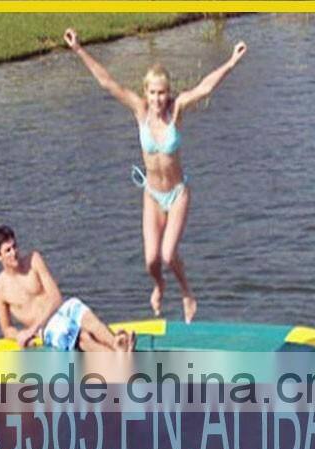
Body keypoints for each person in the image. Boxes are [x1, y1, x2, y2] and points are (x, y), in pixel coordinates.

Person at [64, 28, 247, 323]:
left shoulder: (177, 110)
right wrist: (79, 49)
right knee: (151, 260)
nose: (157, 98)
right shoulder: (140, 111)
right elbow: (107, 82)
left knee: (167, 254)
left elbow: (205, 88)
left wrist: (231, 62)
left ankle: (187, 293)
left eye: (162, 93)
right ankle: (159, 286)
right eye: (152, 93)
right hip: (152, 194)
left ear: (168, 92)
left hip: (177, 193)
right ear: (145, 92)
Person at [0, 225, 134, 352]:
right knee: (82, 337)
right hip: (45, 327)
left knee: (90, 320)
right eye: (7, 250)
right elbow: (7, 328)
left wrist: (32, 329)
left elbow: (56, 297)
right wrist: (21, 335)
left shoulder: (33, 260)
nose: (13, 253)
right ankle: (116, 358)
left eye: (15, 247)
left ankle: (116, 344)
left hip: (60, 308)